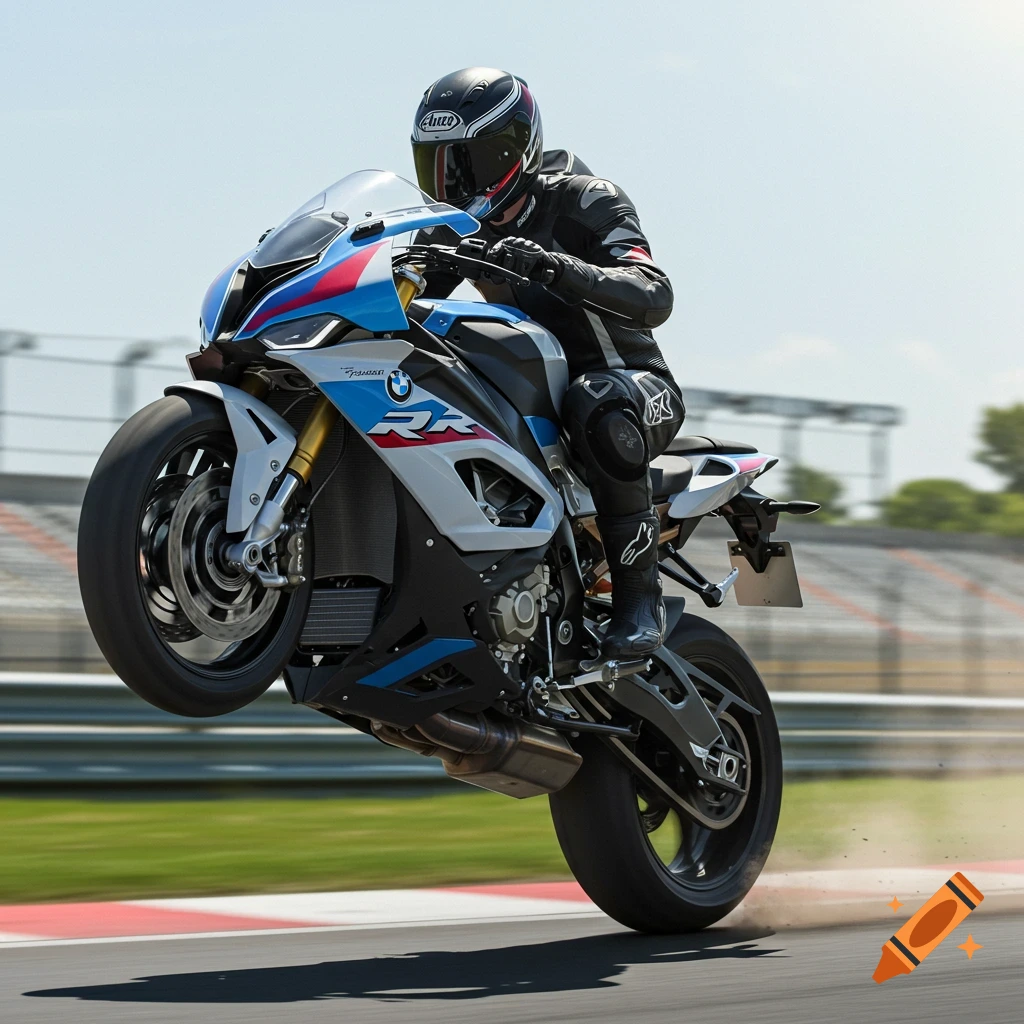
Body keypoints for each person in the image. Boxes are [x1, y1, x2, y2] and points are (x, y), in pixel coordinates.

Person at [411, 67, 684, 659]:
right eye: (438, 164)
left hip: (636, 389)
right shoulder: (455, 230)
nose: (453, 181)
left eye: (470, 161)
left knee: (597, 401)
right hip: (537, 397)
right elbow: (399, 301)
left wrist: (557, 268)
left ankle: (641, 600)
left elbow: (654, 292)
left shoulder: (586, 198)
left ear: (517, 148)